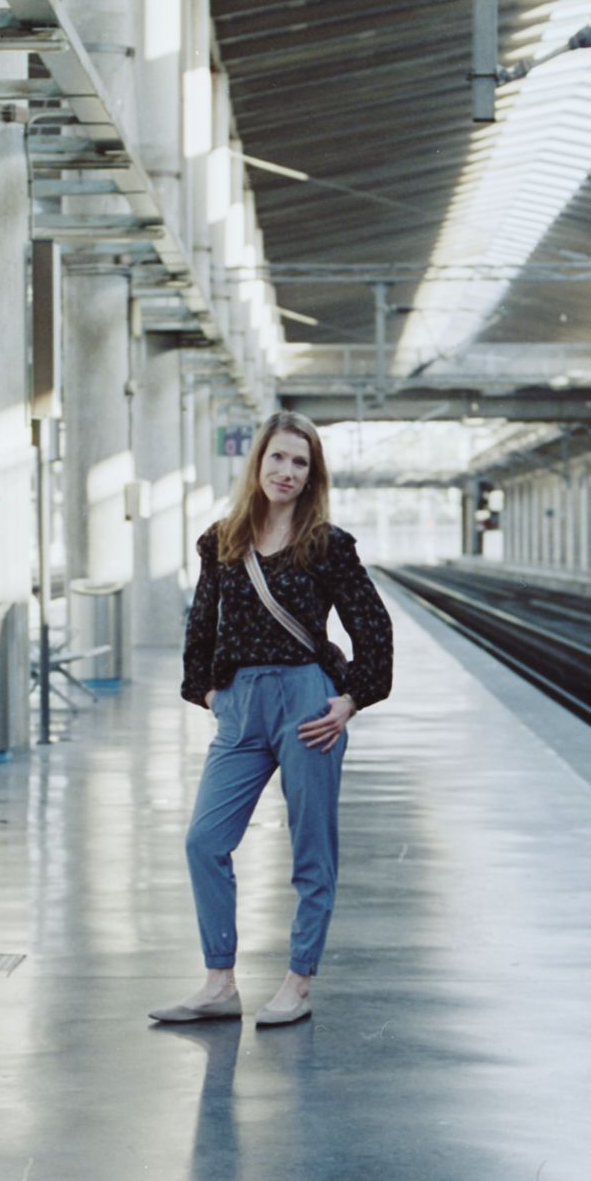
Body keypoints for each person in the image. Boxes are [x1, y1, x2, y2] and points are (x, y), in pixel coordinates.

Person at [150, 411, 393, 1029]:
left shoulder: (327, 545)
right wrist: (211, 697)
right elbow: (200, 628)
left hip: (307, 706)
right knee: (204, 841)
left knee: (311, 851)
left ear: (313, 476)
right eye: (278, 458)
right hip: (240, 708)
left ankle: (298, 981)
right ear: (258, 463)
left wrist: (349, 701)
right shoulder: (223, 540)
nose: (287, 472)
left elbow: (374, 629)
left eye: (300, 463)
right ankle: (219, 981)